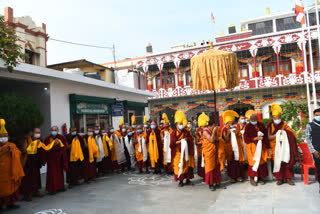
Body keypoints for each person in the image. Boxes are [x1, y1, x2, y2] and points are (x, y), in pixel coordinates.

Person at [267, 103, 298, 185]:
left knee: (287, 161)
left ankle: (288, 178)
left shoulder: (284, 125)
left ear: (280, 118)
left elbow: (292, 135)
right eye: (275, 118)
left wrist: (285, 132)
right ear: (272, 118)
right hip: (276, 147)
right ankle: (280, 178)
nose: (277, 119)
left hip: (285, 147)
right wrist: (277, 134)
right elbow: (269, 137)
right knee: (278, 162)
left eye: (278, 118)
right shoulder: (270, 125)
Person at [0, 119, 25, 210]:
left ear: (8, 137)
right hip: (1, 174)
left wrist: (12, 152)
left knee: (11, 187)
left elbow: (18, 154)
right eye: (1, 136)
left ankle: (10, 204)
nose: (3, 138)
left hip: (10, 171)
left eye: (5, 136)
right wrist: (1, 152)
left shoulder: (12, 145)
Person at [244, 113, 269, 186]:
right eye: (252, 120)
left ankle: (260, 178)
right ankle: (252, 178)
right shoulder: (248, 127)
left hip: (261, 146)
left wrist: (265, 143)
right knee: (253, 162)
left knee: (261, 162)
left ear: (257, 119)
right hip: (252, 147)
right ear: (250, 120)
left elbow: (266, 135)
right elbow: (246, 138)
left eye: (255, 119)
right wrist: (255, 138)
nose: (253, 121)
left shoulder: (261, 125)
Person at [20, 128, 45, 201]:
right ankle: (27, 194)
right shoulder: (27, 139)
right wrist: (33, 144)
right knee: (28, 178)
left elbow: (42, 149)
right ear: (32, 133)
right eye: (36, 132)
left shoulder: (40, 140)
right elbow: (24, 150)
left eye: (39, 132)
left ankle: (36, 191)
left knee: (36, 177)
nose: (38, 134)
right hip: (28, 161)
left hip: (36, 161)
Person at [170, 111, 194, 187]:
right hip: (178, 153)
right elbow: (172, 143)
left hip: (186, 152)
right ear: (176, 125)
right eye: (179, 124)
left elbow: (190, 139)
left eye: (181, 124)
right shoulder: (173, 133)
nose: (181, 125)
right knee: (178, 166)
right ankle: (180, 181)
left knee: (187, 166)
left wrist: (187, 139)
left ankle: (187, 179)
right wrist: (180, 141)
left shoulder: (186, 132)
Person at [222, 110, 245, 183]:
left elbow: (240, 137)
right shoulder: (224, 129)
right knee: (231, 163)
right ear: (226, 123)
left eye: (232, 123)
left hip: (237, 148)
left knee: (237, 163)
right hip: (229, 149)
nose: (230, 124)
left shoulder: (236, 128)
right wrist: (228, 132)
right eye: (229, 123)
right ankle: (232, 177)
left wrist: (236, 132)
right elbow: (225, 139)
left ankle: (238, 176)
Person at [44, 126, 68, 194]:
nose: (54, 131)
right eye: (52, 130)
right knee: (52, 174)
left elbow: (64, 147)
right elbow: (46, 149)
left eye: (55, 130)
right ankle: (52, 189)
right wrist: (53, 145)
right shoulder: (47, 139)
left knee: (60, 173)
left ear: (57, 131)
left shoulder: (61, 137)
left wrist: (60, 145)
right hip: (51, 158)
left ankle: (60, 187)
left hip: (59, 157)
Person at [202, 118, 225, 191]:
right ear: (210, 126)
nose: (215, 127)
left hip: (215, 151)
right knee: (210, 168)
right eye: (214, 126)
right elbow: (212, 140)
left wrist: (216, 135)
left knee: (216, 167)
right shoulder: (205, 132)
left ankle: (217, 181)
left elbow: (218, 139)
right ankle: (210, 184)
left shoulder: (213, 131)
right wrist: (214, 132)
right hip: (209, 153)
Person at [306, 108, 320, 193]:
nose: (318, 116)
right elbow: (307, 139)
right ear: (314, 115)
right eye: (317, 115)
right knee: (319, 169)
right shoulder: (310, 125)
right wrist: (313, 151)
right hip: (317, 151)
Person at [196, 113, 208, 180]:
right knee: (202, 163)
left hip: (207, 149)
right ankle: (203, 176)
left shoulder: (207, 131)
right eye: (203, 126)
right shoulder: (198, 133)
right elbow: (196, 142)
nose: (204, 127)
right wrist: (202, 142)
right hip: (200, 150)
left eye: (205, 126)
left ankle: (207, 174)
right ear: (200, 126)